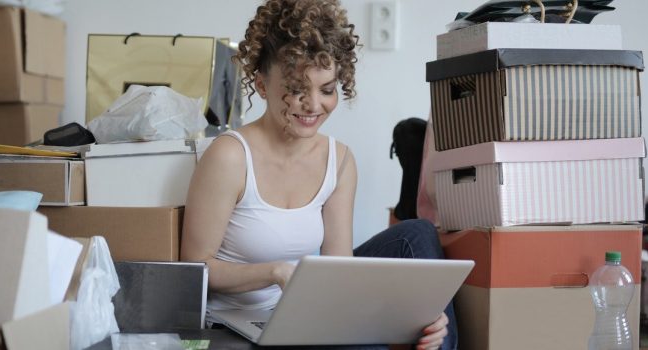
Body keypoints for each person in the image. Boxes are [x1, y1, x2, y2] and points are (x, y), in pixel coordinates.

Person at [181, 0, 456, 349]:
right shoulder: (230, 156)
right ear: (262, 85)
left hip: (308, 317)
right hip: (237, 327)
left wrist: (415, 312)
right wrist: (274, 272)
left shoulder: (339, 160)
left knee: (416, 236)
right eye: (297, 90)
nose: (313, 105)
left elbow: (341, 271)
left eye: (327, 90)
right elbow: (195, 268)